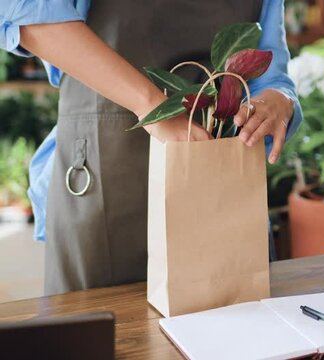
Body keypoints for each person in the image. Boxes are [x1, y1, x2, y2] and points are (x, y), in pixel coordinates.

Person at [0, 0, 302, 295]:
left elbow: (270, 71)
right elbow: (32, 19)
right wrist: (152, 106)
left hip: (215, 174)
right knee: (101, 335)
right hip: (104, 169)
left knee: (234, 326)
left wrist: (279, 99)